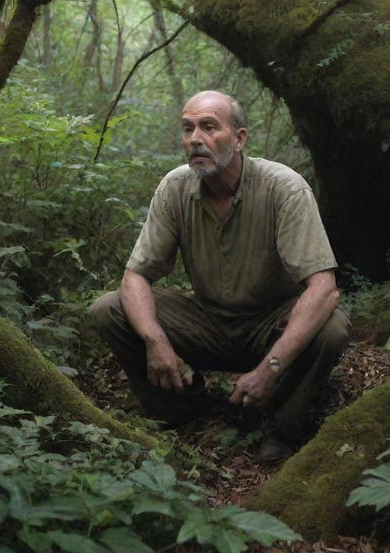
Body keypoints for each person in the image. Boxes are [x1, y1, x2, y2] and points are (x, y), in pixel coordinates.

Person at [90, 90, 350, 461]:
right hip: (208, 323)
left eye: (209, 127)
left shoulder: (284, 188)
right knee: (110, 308)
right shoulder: (175, 188)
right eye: (187, 129)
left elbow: (324, 288)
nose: (196, 138)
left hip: (271, 325)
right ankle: (181, 405)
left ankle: (281, 425)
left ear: (240, 138)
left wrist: (271, 368)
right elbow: (135, 276)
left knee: (331, 326)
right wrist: (155, 341)